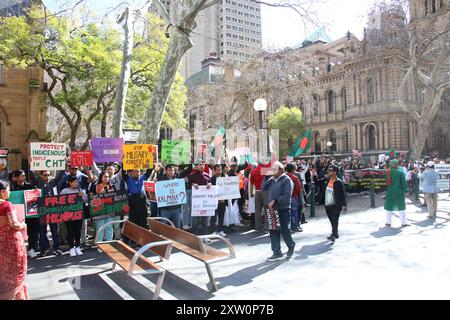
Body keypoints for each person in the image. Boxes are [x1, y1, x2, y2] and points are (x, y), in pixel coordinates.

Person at [0, 181, 29, 300]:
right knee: (16, 272)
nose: (10, 192)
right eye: (8, 189)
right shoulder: (6, 205)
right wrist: (23, 225)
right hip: (11, 243)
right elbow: (14, 224)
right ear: (2, 192)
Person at [262, 162, 295, 261]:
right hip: (273, 209)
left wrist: (276, 200)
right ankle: (276, 252)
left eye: (274, 170)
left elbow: (287, 196)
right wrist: (266, 178)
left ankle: (291, 245)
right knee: (273, 230)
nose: (273, 172)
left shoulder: (286, 180)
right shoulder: (271, 180)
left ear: (281, 170)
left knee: (285, 230)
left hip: (283, 208)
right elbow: (263, 188)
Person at [30, 169, 65, 256]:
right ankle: (44, 249)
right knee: (42, 232)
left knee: (54, 231)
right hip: (42, 212)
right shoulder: (38, 183)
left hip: (52, 212)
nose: (47, 177)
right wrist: (31, 164)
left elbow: (60, 175)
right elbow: (32, 175)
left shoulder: (53, 183)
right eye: (45, 175)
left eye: (49, 175)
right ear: (41, 176)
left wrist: (63, 164)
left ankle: (56, 248)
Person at [11, 170, 38, 259]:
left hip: (30, 213)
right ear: (17, 177)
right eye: (22, 176)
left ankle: (31, 249)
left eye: (24, 175)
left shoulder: (30, 186)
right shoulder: (12, 188)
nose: (24, 177)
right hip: (18, 214)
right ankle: (20, 250)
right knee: (20, 233)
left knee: (32, 232)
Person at [60, 177, 88, 257]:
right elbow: (60, 201)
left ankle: (77, 247)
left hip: (78, 214)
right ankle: (71, 248)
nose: (76, 184)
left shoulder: (80, 190)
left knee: (77, 231)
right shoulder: (65, 191)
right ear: (70, 183)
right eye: (75, 182)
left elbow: (86, 201)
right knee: (70, 231)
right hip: (68, 215)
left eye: (77, 182)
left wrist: (82, 196)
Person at [322, 165, 347, 243]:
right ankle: (335, 234)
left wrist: (344, 205)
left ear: (335, 172)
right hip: (327, 204)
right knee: (331, 220)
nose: (329, 172)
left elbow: (343, 194)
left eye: (330, 170)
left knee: (334, 219)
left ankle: (334, 234)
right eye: (329, 170)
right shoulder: (327, 179)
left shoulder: (339, 182)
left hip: (336, 204)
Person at [186, 160, 211, 236]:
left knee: (205, 218)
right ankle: (194, 235)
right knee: (195, 218)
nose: (201, 166)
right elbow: (187, 184)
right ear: (196, 166)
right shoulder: (192, 175)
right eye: (199, 164)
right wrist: (192, 184)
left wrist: (210, 184)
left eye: (203, 164)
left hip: (205, 201)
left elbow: (210, 184)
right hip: (195, 201)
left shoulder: (207, 175)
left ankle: (205, 235)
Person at [91, 171, 116, 242]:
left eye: (107, 177)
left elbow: (116, 197)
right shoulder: (95, 186)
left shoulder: (111, 186)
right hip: (99, 210)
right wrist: (99, 194)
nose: (106, 178)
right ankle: (99, 245)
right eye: (104, 176)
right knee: (100, 227)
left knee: (109, 227)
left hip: (109, 210)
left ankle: (109, 243)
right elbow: (91, 198)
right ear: (101, 177)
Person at [384, 159, 409, 227]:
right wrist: (406, 190)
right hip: (399, 192)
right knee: (401, 207)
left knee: (389, 207)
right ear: (397, 164)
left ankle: (388, 222)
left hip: (390, 192)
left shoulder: (387, 172)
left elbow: (385, 180)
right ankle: (403, 223)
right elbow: (404, 183)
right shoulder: (400, 172)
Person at [249, 160, 270, 232]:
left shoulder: (253, 171)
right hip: (266, 191)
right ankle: (266, 227)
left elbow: (251, 183)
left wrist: (251, 192)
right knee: (267, 209)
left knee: (258, 210)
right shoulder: (265, 170)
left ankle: (257, 227)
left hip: (257, 191)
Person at [210, 164, 227, 237]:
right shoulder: (212, 179)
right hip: (215, 201)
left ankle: (221, 230)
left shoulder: (224, 178)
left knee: (221, 216)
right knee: (213, 217)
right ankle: (212, 231)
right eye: (217, 170)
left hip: (222, 201)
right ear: (214, 170)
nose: (219, 171)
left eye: (220, 169)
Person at [285, 163, 303, 233]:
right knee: (294, 213)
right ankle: (294, 227)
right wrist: (302, 201)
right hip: (294, 197)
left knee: (286, 213)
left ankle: (287, 227)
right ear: (293, 169)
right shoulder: (295, 178)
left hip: (285, 198)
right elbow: (299, 189)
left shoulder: (283, 177)